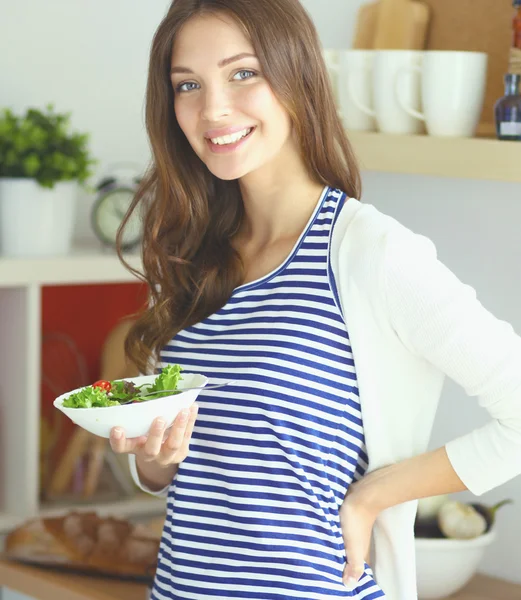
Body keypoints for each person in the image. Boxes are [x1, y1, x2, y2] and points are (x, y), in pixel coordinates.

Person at [108, 0, 521, 598]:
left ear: (297, 71)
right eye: (187, 85)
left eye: (242, 73)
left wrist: (378, 492)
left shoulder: (371, 253)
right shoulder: (191, 257)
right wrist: (153, 459)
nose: (212, 108)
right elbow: (186, 470)